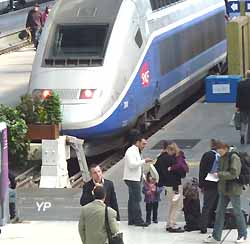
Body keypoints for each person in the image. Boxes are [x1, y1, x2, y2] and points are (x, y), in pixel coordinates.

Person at [204, 141, 247, 243]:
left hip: (234, 189)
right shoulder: (222, 157)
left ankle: (242, 234)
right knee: (219, 212)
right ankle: (216, 236)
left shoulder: (234, 157)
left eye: (220, 149)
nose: (218, 152)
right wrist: (216, 173)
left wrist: (219, 175)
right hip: (223, 188)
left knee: (237, 212)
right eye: (217, 150)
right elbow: (221, 170)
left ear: (225, 148)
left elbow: (234, 173)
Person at [123, 134, 153, 227]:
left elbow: (137, 166)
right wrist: (144, 161)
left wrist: (143, 176)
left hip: (134, 177)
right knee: (136, 199)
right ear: (137, 142)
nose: (144, 146)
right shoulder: (131, 151)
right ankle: (138, 220)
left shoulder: (135, 151)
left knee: (132, 199)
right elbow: (132, 165)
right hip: (132, 179)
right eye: (143, 144)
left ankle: (131, 219)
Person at [154, 141, 184, 233]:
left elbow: (155, 170)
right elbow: (181, 173)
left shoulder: (160, 158)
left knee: (173, 205)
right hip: (175, 186)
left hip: (166, 186)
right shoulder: (171, 159)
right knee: (178, 205)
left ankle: (169, 223)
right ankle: (172, 225)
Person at [199, 139, 219, 234]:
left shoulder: (206, 155)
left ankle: (203, 226)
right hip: (219, 184)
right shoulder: (220, 156)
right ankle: (212, 223)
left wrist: (201, 184)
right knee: (216, 206)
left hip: (208, 184)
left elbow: (202, 170)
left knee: (206, 206)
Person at [236, 70, 250, 144]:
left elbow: (238, 96)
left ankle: (242, 135)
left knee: (243, 122)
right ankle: (249, 139)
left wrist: (237, 106)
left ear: (246, 76)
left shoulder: (240, 84)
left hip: (242, 106)